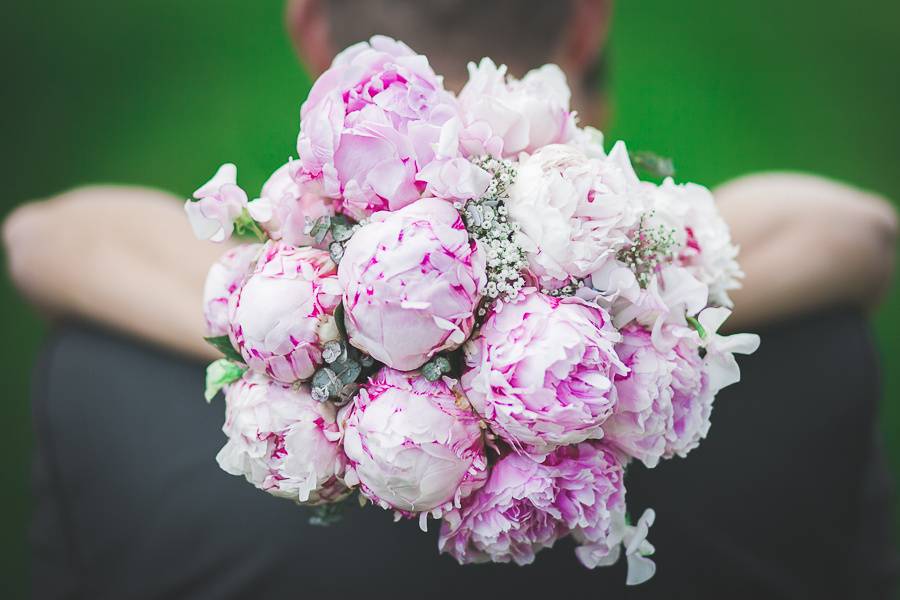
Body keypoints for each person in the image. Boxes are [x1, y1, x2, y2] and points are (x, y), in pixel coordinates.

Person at [5, 0, 898, 598]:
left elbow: (42, 236)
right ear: (588, 23)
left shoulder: (100, 382)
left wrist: (293, 336)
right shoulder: (814, 356)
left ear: (310, 29)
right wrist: (629, 316)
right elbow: (859, 231)